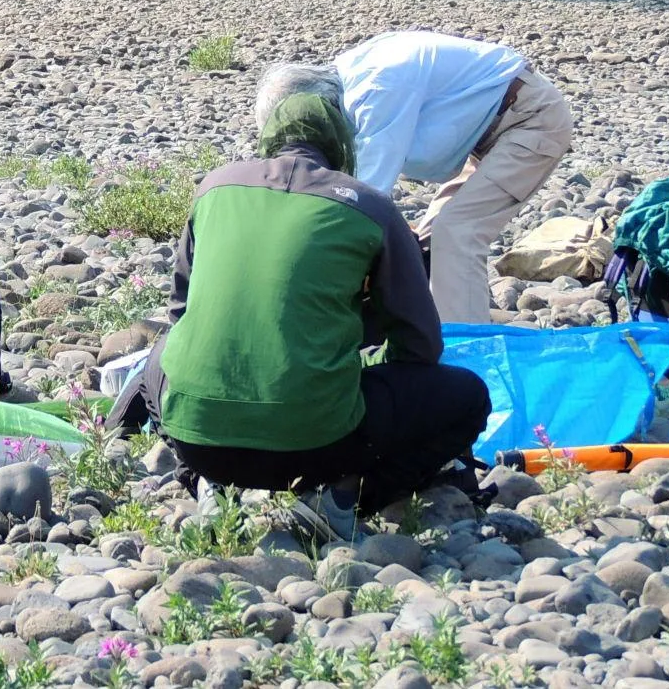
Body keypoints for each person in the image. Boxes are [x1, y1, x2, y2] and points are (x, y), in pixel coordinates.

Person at [150, 83, 490, 542]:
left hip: (198, 440)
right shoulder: (370, 207)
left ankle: (207, 482)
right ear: (341, 143)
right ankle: (342, 498)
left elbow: (181, 312)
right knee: (467, 397)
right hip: (319, 449)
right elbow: (421, 344)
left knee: (160, 358)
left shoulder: (214, 187)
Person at [266, 33, 575, 325]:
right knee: (423, 245)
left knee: (457, 232)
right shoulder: (349, 80)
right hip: (486, 131)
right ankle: (424, 339)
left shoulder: (377, 90)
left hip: (531, 120)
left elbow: (364, 197)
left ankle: (466, 355)